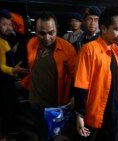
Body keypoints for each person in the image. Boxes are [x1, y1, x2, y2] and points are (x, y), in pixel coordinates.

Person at [74, 5, 118, 141]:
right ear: (103, 28)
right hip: (95, 114)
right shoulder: (89, 50)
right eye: (116, 29)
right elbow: (81, 84)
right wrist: (79, 115)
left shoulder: (115, 50)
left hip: (114, 114)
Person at [21, 11, 76, 141]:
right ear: (35, 31)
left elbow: (78, 75)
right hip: (35, 101)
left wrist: (75, 96)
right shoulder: (31, 44)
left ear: (57, 29)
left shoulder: (68, 49)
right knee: (41, 133)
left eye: (51, 32)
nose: (47, 38)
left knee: (55, 135)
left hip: (56, 105)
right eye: (42, 33)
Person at [0, 8, 29, 141]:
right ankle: (9, 132)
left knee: (12, 105)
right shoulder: (0, 42)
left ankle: (12, 128)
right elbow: (1, 66)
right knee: (8, 107)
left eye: (9, 24)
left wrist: (12, 50)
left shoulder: (4, 39)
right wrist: (13, 70)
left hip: (9, 80)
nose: (8, 27)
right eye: (4, 24)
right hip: (5, 81)